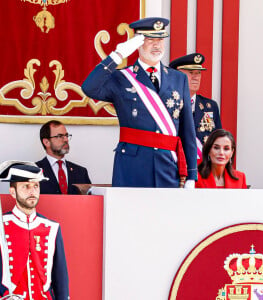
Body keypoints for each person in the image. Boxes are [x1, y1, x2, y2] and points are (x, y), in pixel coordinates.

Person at [82, 17, 197, 188]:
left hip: (167, 166)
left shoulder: (178, 78)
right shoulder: (122, 77)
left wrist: (191, 175)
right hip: (132, 166)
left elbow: (187, 128)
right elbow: (89, 88)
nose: (157, 45)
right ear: (137, 43)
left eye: (160, 39)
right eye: (150, 40)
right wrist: (117, 56)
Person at [0, 160, 69, 299]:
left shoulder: (51, 228)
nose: (32, 191)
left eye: (36, 186)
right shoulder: (2, 225)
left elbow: (60, 277)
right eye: (26, 186)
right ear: (12, 192)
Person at [169, 53, 222, 160]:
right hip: (176, 165)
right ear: (177, 75)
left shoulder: (210, 107)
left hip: (203, 168)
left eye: (198, 73)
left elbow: (218, 140)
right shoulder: (169, 104)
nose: (196, 77)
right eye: (191, 73)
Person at [36, 120, 91, 194]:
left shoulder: (81, 172)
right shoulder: (35, 171)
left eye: (66, 135)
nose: (66, 139)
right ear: (46, 142)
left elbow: (89, 201)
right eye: (60, 136)